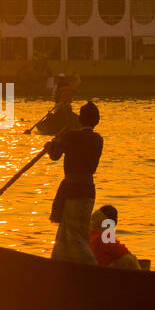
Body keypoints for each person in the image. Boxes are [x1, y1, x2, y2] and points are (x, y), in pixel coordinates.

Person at [46, 101, 103, 264]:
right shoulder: (98, 139)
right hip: (88, 191)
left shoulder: (71, 136)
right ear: (96, 121)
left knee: (72, 234)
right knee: (74, 232)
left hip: (73, 190)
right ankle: (61, 262)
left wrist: (50, 145)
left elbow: (55, 155)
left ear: (80, 119)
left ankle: (91, 266)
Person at [89, 204, 141, 270]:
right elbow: (124, 253)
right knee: (129, 259)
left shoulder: (89, 233)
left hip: (94, 268)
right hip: (103, 272)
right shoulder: (105, 238)